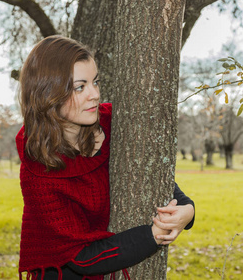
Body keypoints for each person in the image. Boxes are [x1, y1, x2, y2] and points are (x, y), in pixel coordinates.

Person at [16, 35, 195, 280]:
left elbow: (150, 171)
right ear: (48, 94)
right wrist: (152, 236)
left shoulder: (114, 124)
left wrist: (187, 210)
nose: (94, 94)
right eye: (80, 87)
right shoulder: (37, 168)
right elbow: (81, 258)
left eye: (95, 82)